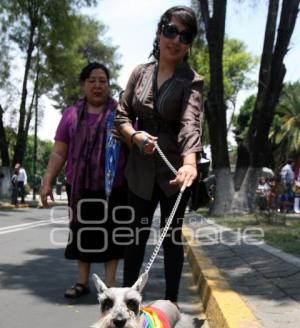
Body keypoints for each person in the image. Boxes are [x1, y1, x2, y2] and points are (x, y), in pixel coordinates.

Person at [115, 6, 203, 304]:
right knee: (135, 238)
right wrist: (134, 136)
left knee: (171, 238)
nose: (176, 40)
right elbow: (121, 115)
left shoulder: (191, 80)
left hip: (174, 173)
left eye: (185, 35)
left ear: (189, 43)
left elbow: (191, 122)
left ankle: (171, 306)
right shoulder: (140, 72)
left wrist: (190, 163)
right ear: (159, 31)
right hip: (139, 169)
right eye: (171, 31)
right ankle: (126, 306)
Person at [41, 62, 128, 300]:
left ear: (109, 85)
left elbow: (135, 145)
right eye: (92, 80)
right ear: (83, 85)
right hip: (79, 186)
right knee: (81, 232)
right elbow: (59, 151)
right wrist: (48, 178)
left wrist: (126, 135)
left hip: (114, 186)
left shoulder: (121, 113)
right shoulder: (70, 115)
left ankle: (110, 287)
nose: (98, 85)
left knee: (112, 234)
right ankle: (82, 282)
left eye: (103, 80)